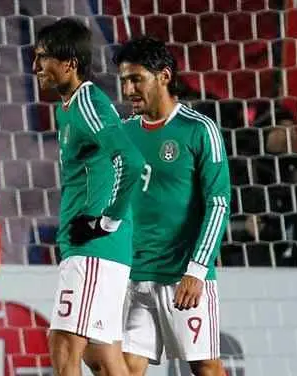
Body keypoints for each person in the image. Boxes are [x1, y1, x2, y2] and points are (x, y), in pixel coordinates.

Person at [31, 18, 144, 376]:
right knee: (103, 359)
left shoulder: (88, 102)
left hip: (94, 249)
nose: (35, 67)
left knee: (64, 342)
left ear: (69, 62)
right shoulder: (69, 107)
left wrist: (104, 222)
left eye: (43, 58)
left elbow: (132, 161)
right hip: (90, 250)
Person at [114, 35, 229, 376]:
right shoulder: (123, 133)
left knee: (206, 367)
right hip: (135, 277)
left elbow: (219, 203)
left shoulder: (199, 130)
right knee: (126, 369)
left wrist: (196, 270)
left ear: (164, 76)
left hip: (183, 277)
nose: (128, 90)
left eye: (136, 79)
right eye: (124, 81)